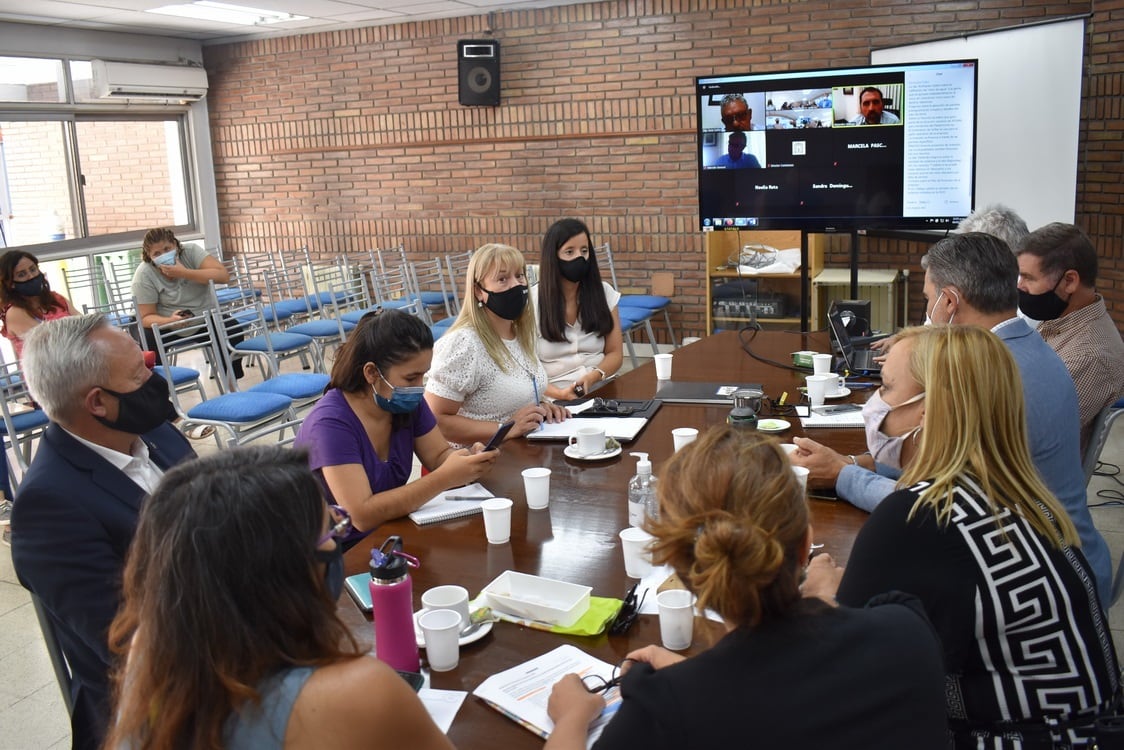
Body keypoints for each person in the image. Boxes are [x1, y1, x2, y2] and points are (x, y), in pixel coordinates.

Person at [543, 426, 948, 750]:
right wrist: (823, 600)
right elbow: (790, 695)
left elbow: (750, 698)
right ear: (806, 544)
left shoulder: (663, 712)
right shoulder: (906, 634)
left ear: (683, 572)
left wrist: (573, 718)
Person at [811, 326, 1120, 747]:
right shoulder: (1025, 497)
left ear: (930, 410)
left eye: (886, 387)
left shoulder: (917, 518)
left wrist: (822, 602)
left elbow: (837, 677)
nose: (874, 404)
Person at [792, 232, 1113, 604]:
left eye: (928, 300)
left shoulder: (991, 375)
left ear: (949, 302)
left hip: (1049, 579)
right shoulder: (1021, 346)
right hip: (1053, 556)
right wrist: (853, 463)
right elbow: (947, 469)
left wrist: (842, 475)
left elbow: (939, 505)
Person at [102, 445, 453, 750]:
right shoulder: (357, 692)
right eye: (332, 530)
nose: (336, 543)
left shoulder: (150, 651)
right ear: (282, 571)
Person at [9, 314, 195, 750]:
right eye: (139, 373)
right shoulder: (49, 508)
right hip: (156, 710)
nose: (154, 377)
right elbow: (132, 644)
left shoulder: (155, 434)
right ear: (97, 402)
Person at [294, 310, 497, 540]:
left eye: (423, 375)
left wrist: (467, 461)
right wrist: (447, 477)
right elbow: (361, 514)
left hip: (388, 534)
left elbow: (439, 455)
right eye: (411, 378)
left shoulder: (404, 402)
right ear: (371, 373)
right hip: (334, 553)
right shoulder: (330, 425)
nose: (419, 387)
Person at [425, 243, 568, 445]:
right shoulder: (464, 343)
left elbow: (509, 397)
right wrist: (505, 429)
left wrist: (542, 406)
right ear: (478, 291)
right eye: (502, 279)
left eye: (519, 276)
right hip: (476, 462)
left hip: (520, 451)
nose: (516, 285)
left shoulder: (519, 334)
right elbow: (436, 420)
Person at [1015, 222, 1124, 451]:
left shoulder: (1090, 356)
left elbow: (1027, 436)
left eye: (1028, 278)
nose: (1020, 286)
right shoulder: (1060, 319)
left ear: (1070, 281)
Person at [131, 227, 244, 378]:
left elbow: (223, 276)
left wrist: (184, 273)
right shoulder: (144, 275)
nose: (163, 255)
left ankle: (230, 382)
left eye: (167, 249)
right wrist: (170, 321)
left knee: (233, 330)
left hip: (201, 317)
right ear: (149, 257)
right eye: (157, 254)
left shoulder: (190, 252)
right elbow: (145, 317)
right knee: (148, 340)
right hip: (165, 322)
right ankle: (160, 387)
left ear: (176, 246)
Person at [532, 218, 623, 400]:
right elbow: (526, 370)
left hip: (600, 387)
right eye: (569, 252)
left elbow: (615, 353)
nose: (579, 258)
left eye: (584, 251)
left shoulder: (604, 292)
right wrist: (559, 394)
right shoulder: (531, 302)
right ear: (553, 257)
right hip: (553, 397)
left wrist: (593, 376)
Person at [0, 249, 76, 360]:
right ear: (10, 284)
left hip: (75, 360)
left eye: (33, 269)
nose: (31, 276)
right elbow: (52, 344)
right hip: (47, 371)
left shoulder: (55, 298)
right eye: (22, 274)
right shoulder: (14, 312)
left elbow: (85, 325)